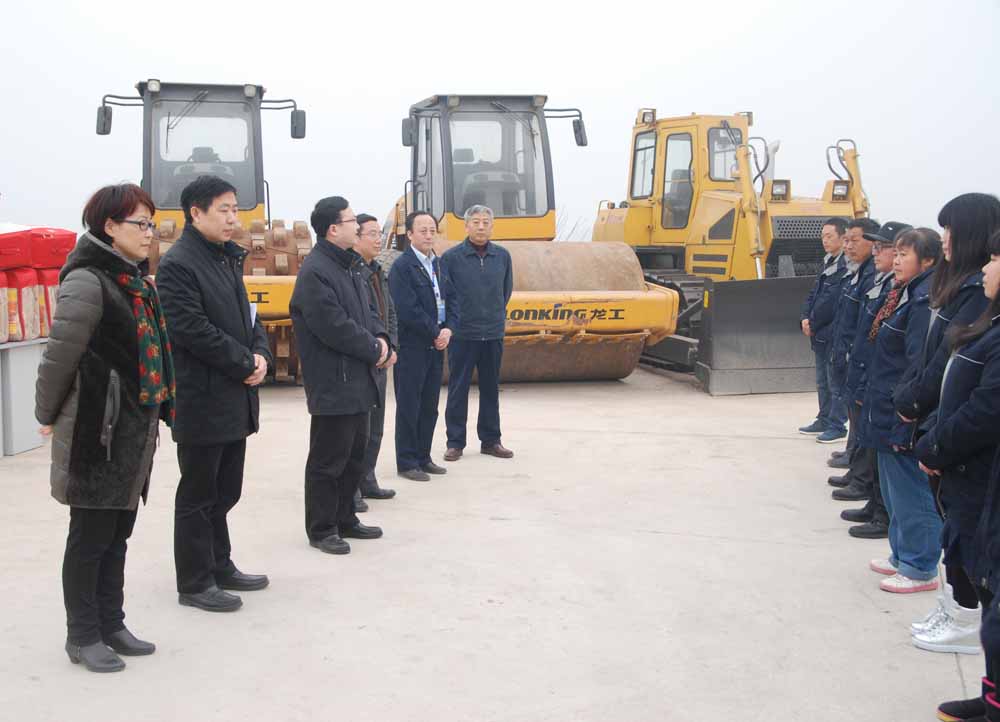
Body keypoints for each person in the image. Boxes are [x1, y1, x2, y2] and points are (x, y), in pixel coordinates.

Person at [35, 183, 173, 672]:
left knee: (117, 535)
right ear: (110, 226)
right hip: (97, 431)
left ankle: (112, 623)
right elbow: (59, 357)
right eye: (140, 223)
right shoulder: (88, 281)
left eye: (151, 224)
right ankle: (82, 635)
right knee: (90, 537)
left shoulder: (135, 282)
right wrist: (46, 414)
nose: (149, 233)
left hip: (132, 430)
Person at [156, 176, 273, 613]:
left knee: (225, 491)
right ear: (196, 213)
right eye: (223, 210)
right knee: (198, 494)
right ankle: (194, 581)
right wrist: (244, 362)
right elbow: (191, 329)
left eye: (234, 209)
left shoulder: (226, 258)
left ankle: (219, 564)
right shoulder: (179, 264)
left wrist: (261, 354)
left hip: (232, 396)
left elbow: (249, 317)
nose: (232, 218)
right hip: (201, 398)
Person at [898, 193, 1000, 655]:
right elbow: (941, 367)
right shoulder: (967, 297)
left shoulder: (974, 298)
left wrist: (937, 443)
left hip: (965, 454)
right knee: (955, 534)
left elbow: (981, 405)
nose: (944, 239)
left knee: (967, 540)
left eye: (949, 229)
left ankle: (965, 617)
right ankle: (956, 608)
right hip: (946, 442)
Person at [915, 230, 1000, 720]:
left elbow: (985, 412)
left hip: (980, 478)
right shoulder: (989, 324)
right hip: (966, 479)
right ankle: (991, 697)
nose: (988, 267)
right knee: (987, 598)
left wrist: (936, 447)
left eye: (996, 258)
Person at [290, 196, 394, 555]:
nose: (357, 226)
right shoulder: (316, 272)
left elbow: (370, 311)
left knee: (353, 455)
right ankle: (322, 528)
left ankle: (345, 517)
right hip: (334, 382)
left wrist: (382, 338)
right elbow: (333, 326)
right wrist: (374, 348)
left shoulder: (350, 267)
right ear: (333, 229)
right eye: (351, 221)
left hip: (360, 379)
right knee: (328, 460)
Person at [862, 227, 943, 593]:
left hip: (902, 411)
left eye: (903, 255)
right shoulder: (904, 293)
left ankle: (920, 565)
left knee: (912, 490)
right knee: (894, 489)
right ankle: (901, 554)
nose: (895, 261)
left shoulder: (924, 302)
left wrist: (904, 406)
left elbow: (917, 363)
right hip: (885, 404)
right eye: (894, 254)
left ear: (927, 260)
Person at [838, 224, 908, 539]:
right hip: (868, 371)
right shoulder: (887, 285)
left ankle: (882, 512)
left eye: (887, 248)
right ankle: (875, 502)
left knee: (882, 445)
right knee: (869, 437)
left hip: (886, 384)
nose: (879, 253)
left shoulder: (912, 296)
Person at [441, 205, 514, 461]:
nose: (481, 227)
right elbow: (446, 296)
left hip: (492, 333)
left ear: (492, 226)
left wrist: (493, 316)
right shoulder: (451, 258)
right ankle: (455, 442)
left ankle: (491, 441)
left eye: (485, 222)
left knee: (490, 389)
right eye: (476, 222)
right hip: (463, 334)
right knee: (458, 389)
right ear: (466, 226)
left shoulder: (502, 256)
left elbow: (505, 292)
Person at [388, 211, 450, 481]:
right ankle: (407, 461)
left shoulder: (439, 264)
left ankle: (424, 457)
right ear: (410, 234)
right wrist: (435, 331)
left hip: (436, 346)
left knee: (429, 406)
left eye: (432, 230)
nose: (428, 235)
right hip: (412, 347)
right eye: (422, 230)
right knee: (409, 406)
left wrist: (448, 329)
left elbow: (451, 299)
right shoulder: (402, 267)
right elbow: (407, 309)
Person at [826, 217, 880, 492]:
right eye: (845, 240)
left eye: (853, 240)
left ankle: (861, 477)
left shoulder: (871, 275)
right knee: (854, 411)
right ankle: (855, 466)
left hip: (859, 357)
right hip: (848, 351)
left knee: (861, 416)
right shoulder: (857, 271)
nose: (848, 246)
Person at [354, 213, 398, 504]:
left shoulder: (378, 271)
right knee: (359, 428)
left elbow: (390, 312)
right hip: (364, 359)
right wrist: (375, 349)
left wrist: (391, 346)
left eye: (379, 233)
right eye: (371, 234)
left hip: (382, 358)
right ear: (356, 238)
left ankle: (368, 480)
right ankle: (352, 489)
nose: (378, 238)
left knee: (376, 426)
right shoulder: (353, 273)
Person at [799, 217, 849, 443]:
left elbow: (831, 301)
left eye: (829, 236)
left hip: (831, 333)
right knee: (822, 381)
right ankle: (824, 417)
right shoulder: (828, 262)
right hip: (819, 333)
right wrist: (804, 317)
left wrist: (813, 322)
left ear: (842, 237)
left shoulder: (845, 267)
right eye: (823, 236)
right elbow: (814, 294)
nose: (825, 241)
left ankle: (837, 424)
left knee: (834, 381)